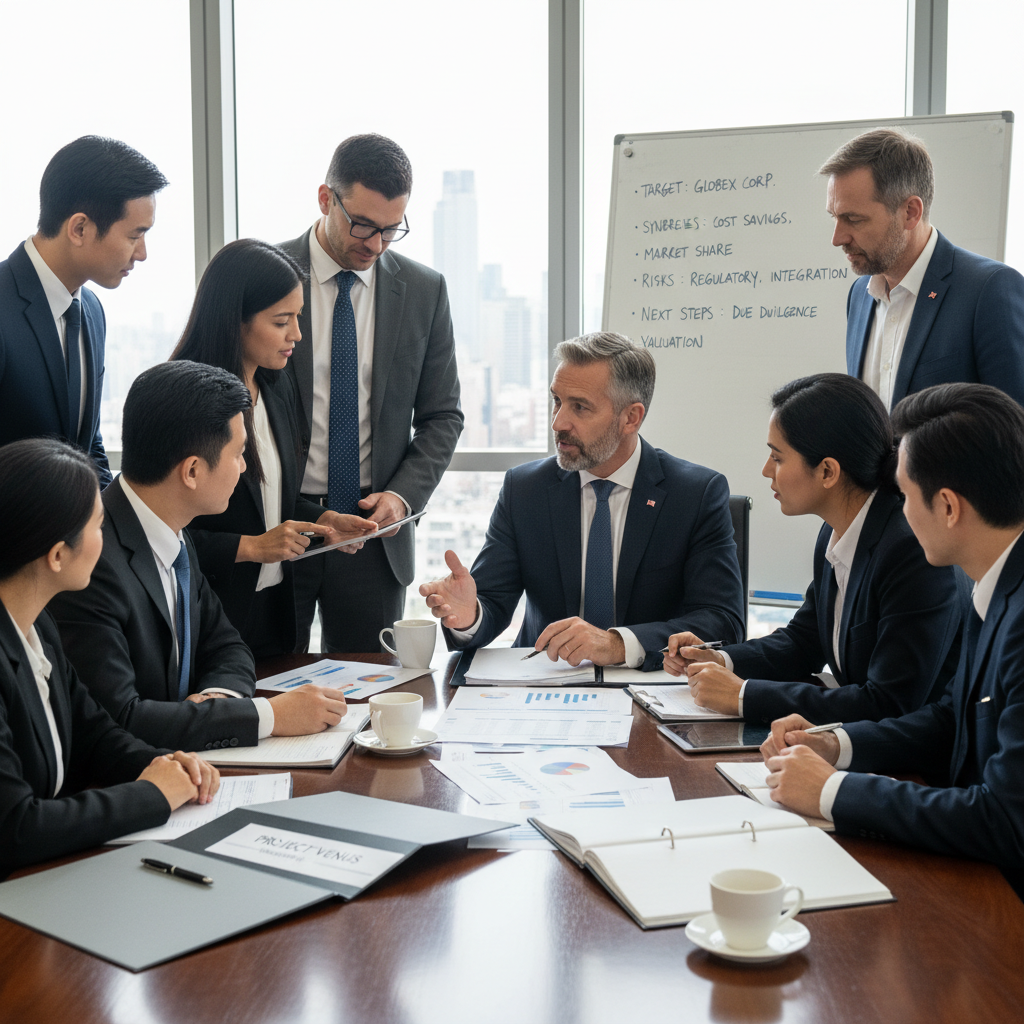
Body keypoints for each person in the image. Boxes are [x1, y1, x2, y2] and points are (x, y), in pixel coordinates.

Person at [762, 382, 1024, 898]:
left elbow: (1004, 819)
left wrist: (834, 791)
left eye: (903, 496)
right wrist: (836, 743)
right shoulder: (991, 579)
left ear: (947, 506)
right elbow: (951, 718)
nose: (898, 513)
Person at [49, 361, 349, 752]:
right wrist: (270, 717)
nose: (244, 468)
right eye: (239, 454)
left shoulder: (172, 530)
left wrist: (217, 702)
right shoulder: (91, 561)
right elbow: (119, 720)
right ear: (192, 471)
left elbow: (227, 645)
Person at [419, 332, 745, 669]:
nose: (558, 422)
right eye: (556, 401)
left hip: (652, 685)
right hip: (541, 681)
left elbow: (723, 622)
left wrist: (618, 644)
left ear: (631, 417)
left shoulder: (694, 494)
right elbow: (491, 604)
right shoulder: (525, 488)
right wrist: (469, 616)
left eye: (580, 407)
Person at [663, 373, 963, 723]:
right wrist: (721, 660)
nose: (765, 471)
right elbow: (803, 643)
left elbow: (888, 703)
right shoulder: (836, 530)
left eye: (777, 458)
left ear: (827, 471)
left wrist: (743, 695)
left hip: (918, 765)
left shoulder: (909, 549)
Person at [278, 133, 463, 653]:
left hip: (371, 538)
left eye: (390, 230)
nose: (375, 245)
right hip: (281, 524)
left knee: (372, 700)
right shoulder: (266, 273)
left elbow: (443, 416)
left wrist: (402, 497)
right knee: (267, 686)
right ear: (325, 199)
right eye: (362, 225)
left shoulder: (425, 291)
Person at [0, 437, 219, 876]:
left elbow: (94, 732)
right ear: (58, 555)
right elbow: (15, 827)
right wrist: (153, 795)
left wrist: (162, 763)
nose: (108, 541)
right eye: (99, 527)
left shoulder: (37, 624)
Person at [170, 239, 377, 657]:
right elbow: (162, 528)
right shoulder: (182, 399)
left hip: (277, 608)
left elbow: (272, 499)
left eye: (298, 317)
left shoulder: (276, 388)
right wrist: (251, 547)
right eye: (282, 321)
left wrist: (326, 520)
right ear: (236, 320)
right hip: (211, 612)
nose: (296, 335)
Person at [0, 136, 169, 486]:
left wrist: (113, 529)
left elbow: (86, 444)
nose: (142, 254)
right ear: (79, 228)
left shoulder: (91, 310)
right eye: (135, 235)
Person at [821, 127, 1024, 411]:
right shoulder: (859, 295)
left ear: (910, 212)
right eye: (834, 217)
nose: (837, 238)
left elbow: (1016, 432)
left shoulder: (990, 290)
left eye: (853, 219)